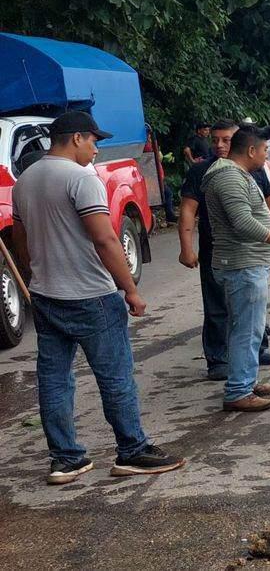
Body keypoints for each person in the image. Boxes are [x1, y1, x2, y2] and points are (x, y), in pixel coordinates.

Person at [13, 111, 185, 485]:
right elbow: (105, 239)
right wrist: (131, 289)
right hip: (91, 295)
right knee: (115, 377)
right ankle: (132, 450)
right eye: (93, 141)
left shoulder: (24, 181)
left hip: (46, 295)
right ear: (76, 138)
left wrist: (36, 274)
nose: (95, 149)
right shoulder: (80, 179)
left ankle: (65, 459)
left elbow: (20, 241)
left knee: (55, 381)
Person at [203, 125, 270, 412]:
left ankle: (244, 380)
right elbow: (242, 223)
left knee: (245, 329)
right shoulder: (228, 177)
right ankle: (238, 390)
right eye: (264, 150)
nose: (265, 155)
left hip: (247, 261)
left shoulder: (235, 175)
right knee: (247, 330)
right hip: (240, 265)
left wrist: (267, 250)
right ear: (250, 150)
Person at [180, 121, 270, 382]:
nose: (219, 145)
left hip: (251, 253)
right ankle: (225, 367)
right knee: (223, 310)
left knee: (250, 318)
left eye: (225, 140)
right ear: (251, 149)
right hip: (227, 252)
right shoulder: (218, 173)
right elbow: (193, 211)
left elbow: (269, 202)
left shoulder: (253, 170)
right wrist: (186, 247)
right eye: (215, 140)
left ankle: (251, 367)